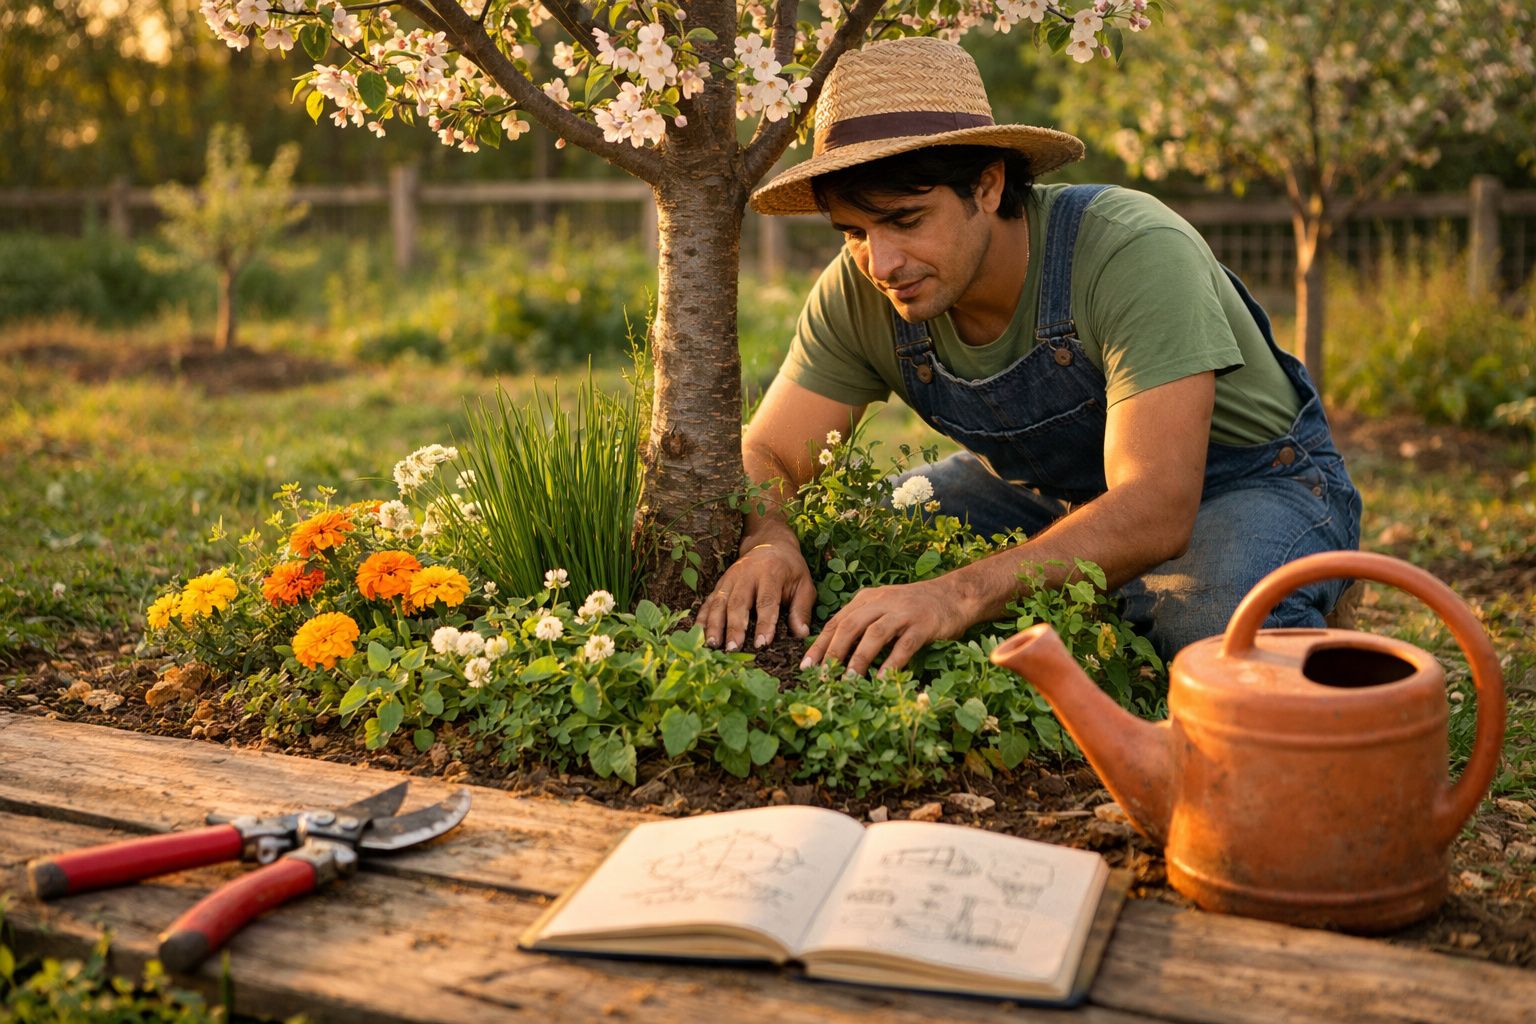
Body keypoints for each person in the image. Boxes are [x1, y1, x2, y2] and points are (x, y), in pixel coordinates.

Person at [699, 35, 1361, 678]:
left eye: (905, 220)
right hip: (1039, 497)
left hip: (1246, 482)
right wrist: (770, 541)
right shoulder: (859, 289)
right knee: (855, 544)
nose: (882, 262)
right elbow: (770, 456)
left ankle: (1257, 594)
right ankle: (1105, 594)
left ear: (987, 186)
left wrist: (955, 595)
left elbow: (1157, 503)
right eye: (854, 233)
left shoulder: (1130, 251)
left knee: (1210, 627)